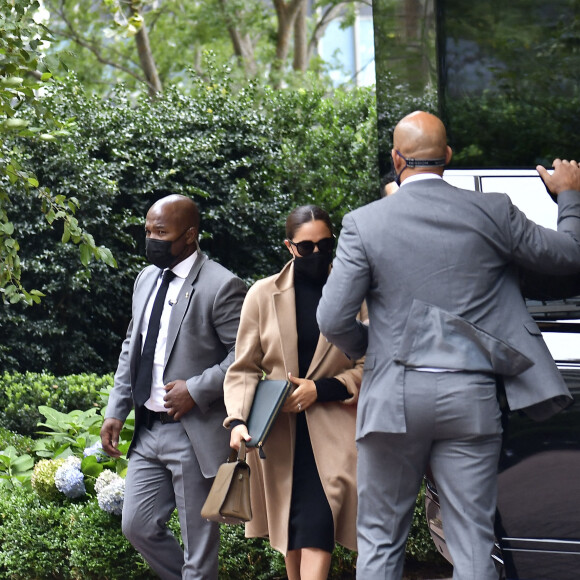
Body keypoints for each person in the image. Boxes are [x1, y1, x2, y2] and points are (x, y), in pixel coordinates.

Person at [316, 110, 580, 580]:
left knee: (379, 540)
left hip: (393, 397)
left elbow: (332, 317)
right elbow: (567, 256)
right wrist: (569, 195)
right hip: (469, 397)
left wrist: (373, 351)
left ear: (397, 158)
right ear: (449, 157)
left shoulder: (364, 223)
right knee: (473, 539)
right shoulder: (494, 211)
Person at [100, 194, 246, 580]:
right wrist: (117, 409)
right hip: (148, 431)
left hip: (192, 432)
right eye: (148, 230)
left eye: (161, 232)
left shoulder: (221, 284)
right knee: (138, 526)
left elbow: (247, 356)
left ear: (190, 235)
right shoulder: (145, 278)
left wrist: (196, 389)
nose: (152, 239)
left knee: (199, 550)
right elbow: (132, 345)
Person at [223, 205, 364, 580]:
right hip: (279, 432)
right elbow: (244, 367)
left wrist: (321, 389)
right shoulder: (261, 294)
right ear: (289, 247)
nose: (317, 254)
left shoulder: (354, 293)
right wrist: (237, 419)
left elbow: (374, 363)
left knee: (319, 527)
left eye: (325, 245)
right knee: (291, 534)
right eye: (306, 247)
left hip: (334, 429)